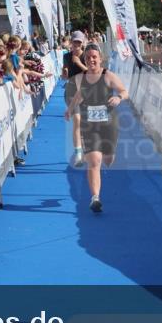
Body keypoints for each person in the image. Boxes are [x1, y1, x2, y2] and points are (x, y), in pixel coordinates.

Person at [65, 44, 128, 213]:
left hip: (109, 125)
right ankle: (95, 198)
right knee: (94, 162)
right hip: (89, 125)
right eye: (88, 58)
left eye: (94, 57)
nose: (91, 60)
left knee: (108, 159)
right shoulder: (81, 78)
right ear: (85, 60)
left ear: (100, 58)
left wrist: (119, 98)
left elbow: (123, 90)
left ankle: (108, 155)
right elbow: (79, 95)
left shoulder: (108, 76)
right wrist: (70, 109)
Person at [61, 31, 88, 166]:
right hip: (71, 91)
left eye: (79, 42)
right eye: (74, 42)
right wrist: (64, 73)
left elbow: (92, 74)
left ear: (83, 43)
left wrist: (78, 63)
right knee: (77, 120)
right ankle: (78, 154)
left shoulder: (87, 56)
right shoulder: (66, 56)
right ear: (71, 42)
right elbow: (64, 74)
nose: (76, 44)